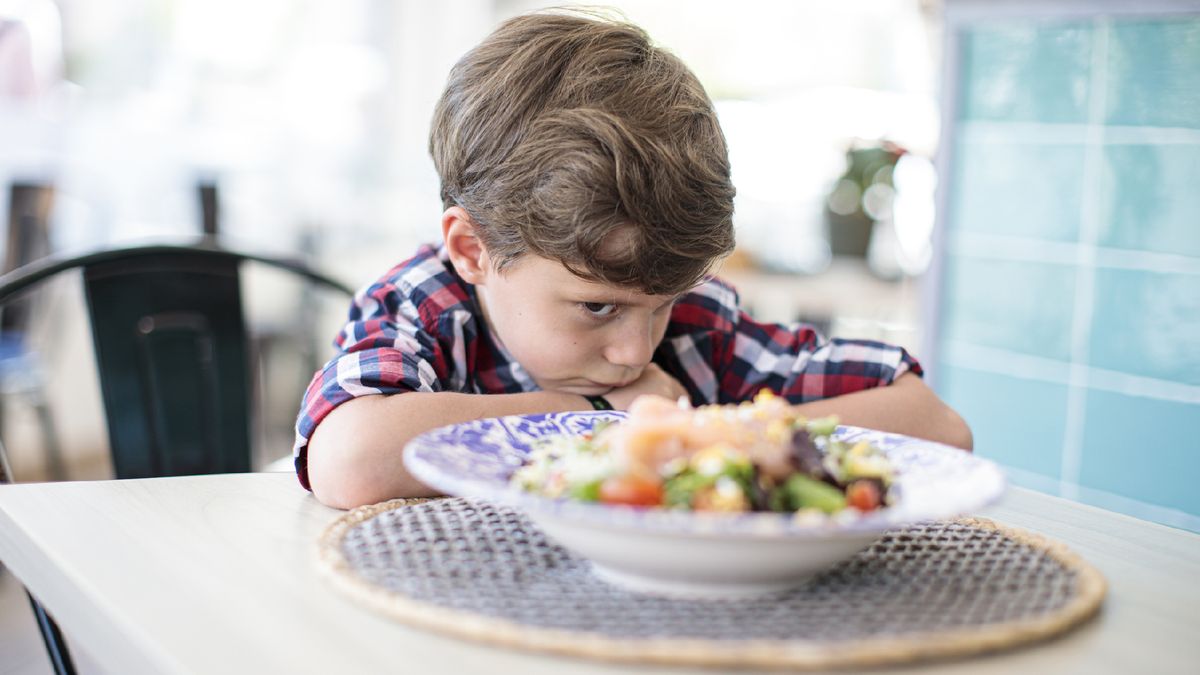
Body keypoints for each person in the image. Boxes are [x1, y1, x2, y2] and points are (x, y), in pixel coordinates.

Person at [295, 10, 971, 509]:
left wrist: (703, 433)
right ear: (474, 249)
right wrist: (594, 415)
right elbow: (350, 459)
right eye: (598, 306)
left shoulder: (696, 326)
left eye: (661, 305)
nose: (634, 349)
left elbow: (937, 426)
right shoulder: (426, 305)